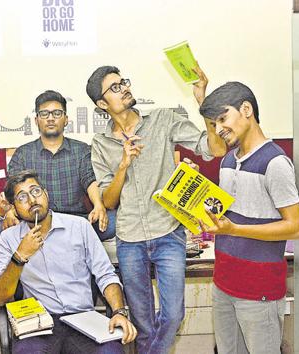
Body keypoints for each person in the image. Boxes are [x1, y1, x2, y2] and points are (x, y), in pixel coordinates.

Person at [85, 65, 226, 354]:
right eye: (114, 87)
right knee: (143, 323)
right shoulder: (100, 144)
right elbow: (109, 200)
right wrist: (123, 164)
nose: (123, 88)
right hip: (130, 239)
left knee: (174, 315)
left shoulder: (162, 120)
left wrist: (204, 102)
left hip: (168, 233)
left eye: (123, 82)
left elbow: (214, 149)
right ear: (102, 104)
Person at [198, 81, 299, 353]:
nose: (220, 129)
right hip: (223, 284)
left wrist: (234, 230)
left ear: (246, 109)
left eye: (223, 119)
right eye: (214, 123)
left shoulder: (275, 162)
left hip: (259, 290)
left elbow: (294, 227)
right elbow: (225, 219)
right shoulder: (228, 160)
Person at [0, 170, 137, 354]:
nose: (32, 200)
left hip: (84, 320)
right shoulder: (8, 239)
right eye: (22, 197)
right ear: (14, 208)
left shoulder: (79, 226)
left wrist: (119, 312)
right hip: (40, 325)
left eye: (35, 191)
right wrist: (19, 256)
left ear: (46, 194)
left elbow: (106, 275)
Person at [0, 90, 114, 245]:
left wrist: (99, 205)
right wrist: (10, 211)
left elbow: (90, 180)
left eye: (57, 113)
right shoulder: (23, 153)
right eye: (45, 114)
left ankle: (56, 241)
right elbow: (13, 189)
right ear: (36, 120)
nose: (51, 118)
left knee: (113, 221)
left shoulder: (81, 150)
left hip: (74, 221)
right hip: (34, 221)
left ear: (66, 119)